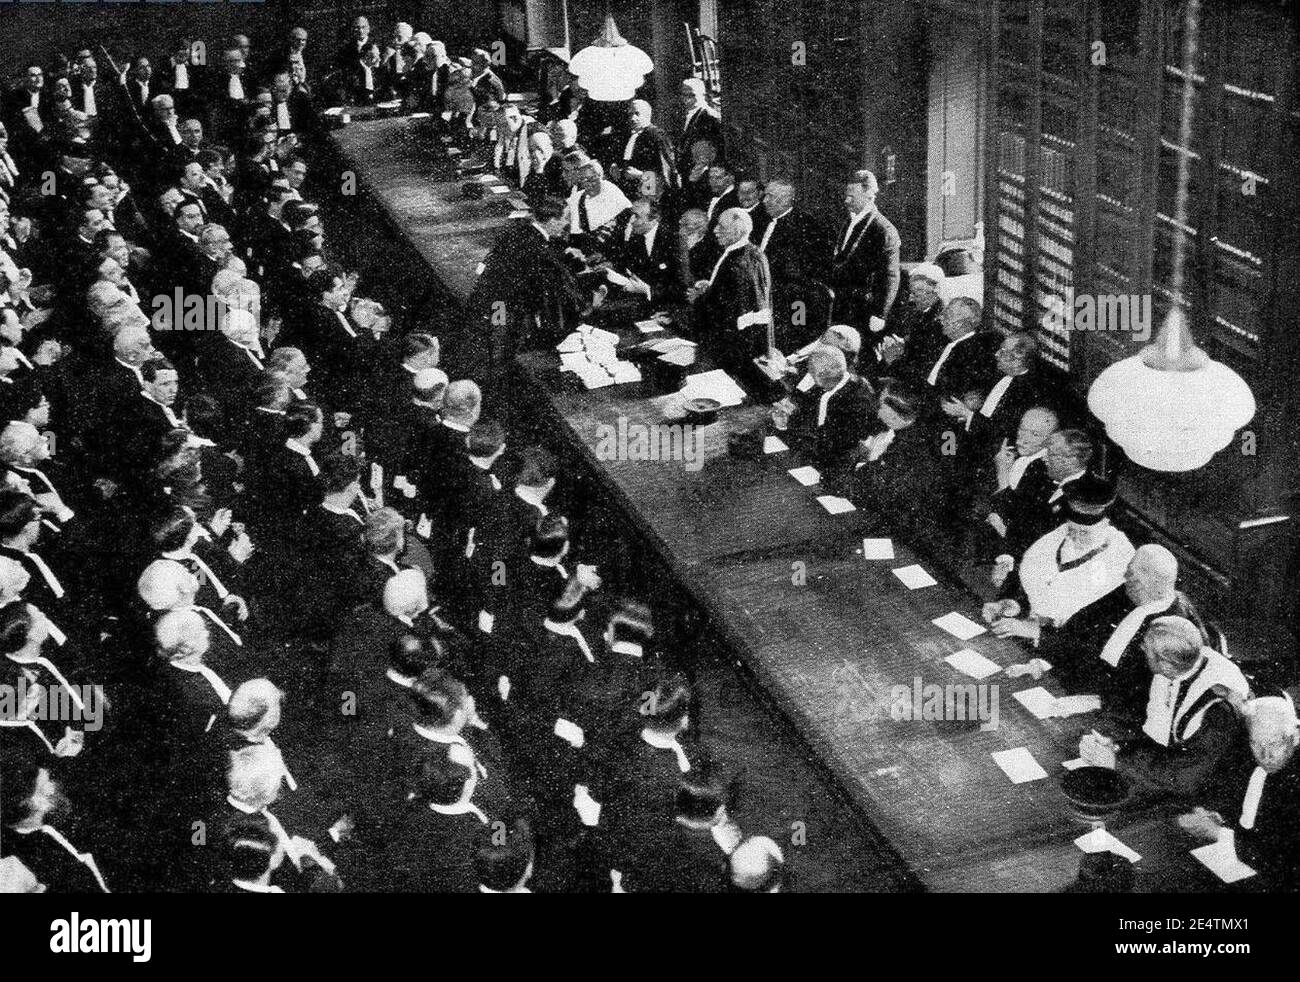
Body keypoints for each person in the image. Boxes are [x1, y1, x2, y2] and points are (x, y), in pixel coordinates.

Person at [1079, 616, 1250, 803]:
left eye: (1147, 652)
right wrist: (1116, 746)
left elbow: (1186, 777)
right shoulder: (1180, 664)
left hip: (1197, 794)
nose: (1142, 651)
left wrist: (1116, 762)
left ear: (1166, 664)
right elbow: (1155, 736)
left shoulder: (1218, 708)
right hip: (1170, 771)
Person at [1179, 694, 1300, 888]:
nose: (1265, 755)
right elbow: (1221, 790)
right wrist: (1214, 813)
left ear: (1295, 737)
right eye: (1256, 743)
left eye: (1274, 744)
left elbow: (1283, 863)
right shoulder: (1251, 751)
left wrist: (1220, 834)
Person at [689, 207, 771, 375]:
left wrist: (700, 298)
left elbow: (726, 312)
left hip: (728, 346)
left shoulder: (737, 263)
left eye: (721, 226)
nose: (715, 230)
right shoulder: (754, 253)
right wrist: (712, 287)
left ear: (737, 231)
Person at [827, 170, 900, 338]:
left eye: (852, 197)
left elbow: (890, 275)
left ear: (869, 195)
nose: (846, 201)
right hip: (841, 304)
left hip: (864, 310)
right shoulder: (848, 222)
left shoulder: (884, 229)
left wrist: (880, 313)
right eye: (846, 195)